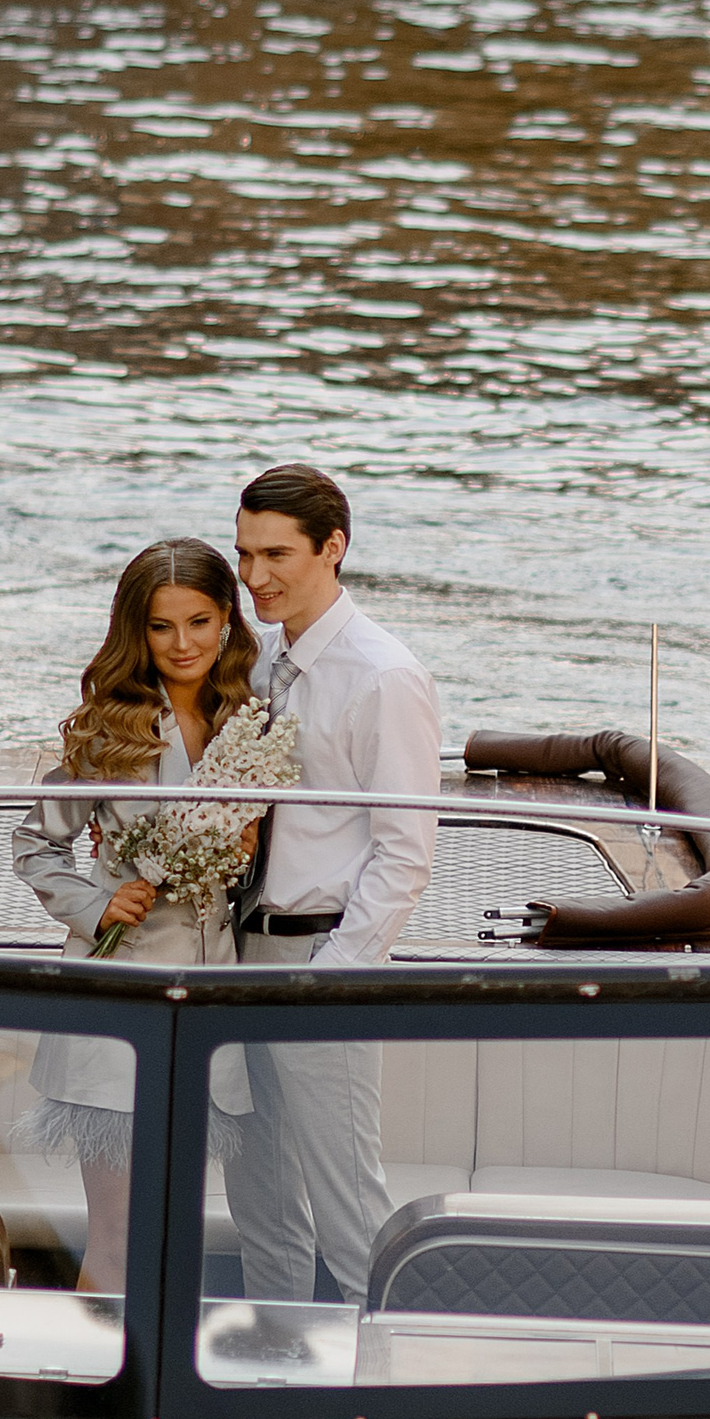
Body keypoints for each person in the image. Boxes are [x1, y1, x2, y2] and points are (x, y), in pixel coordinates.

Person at [12, 539, 262, 1419]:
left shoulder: (254, 725)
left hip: (212, 1017)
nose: (182, 643)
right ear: (137, 632)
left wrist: (249, 856)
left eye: (199, 622)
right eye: (161, 627)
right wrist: (93, 899)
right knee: (118, 1244)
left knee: (175, 1243)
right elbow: (35, 845)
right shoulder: (105, 729)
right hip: (116, 1016)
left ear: (226, 622)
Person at [227, 465, 442, 1311]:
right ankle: (271, 1366)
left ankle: (390, 1378)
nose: (254, 576)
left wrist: (334, 976)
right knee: (261, 1207)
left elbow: (405, 853)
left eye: (276, 554)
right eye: (244, 553)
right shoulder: (260, 663)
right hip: (241, 955)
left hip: (322, 958)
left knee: (350, 1213)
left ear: (333, 547)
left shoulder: (385, 676)